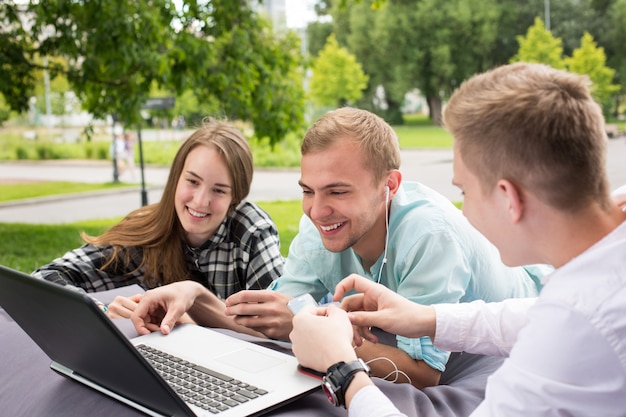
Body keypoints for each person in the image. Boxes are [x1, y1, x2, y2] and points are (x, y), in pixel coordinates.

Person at [289, 63, 626, 416]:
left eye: (464, 191)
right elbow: (533, 314)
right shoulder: (602, 266)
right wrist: (424, 318)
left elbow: (563, 319)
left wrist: (343, 367)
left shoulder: (574, 330)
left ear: (508, 198)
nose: (463, 214)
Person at [131, 107, 545, 389]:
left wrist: (324, 332)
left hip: (521, 332)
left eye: (337, 191)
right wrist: (194, 297)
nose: (317, 209)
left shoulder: (428, 235)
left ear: (390, 186)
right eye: (308, 190)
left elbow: (426, 375)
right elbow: (278, 317)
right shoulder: (320, 228)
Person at [33, 121, 284, 325]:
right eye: (192, 182)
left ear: (235, 198)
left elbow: (276, 328)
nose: (200, 201)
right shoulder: (148, 230)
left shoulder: (252, 231)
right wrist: (100, 309)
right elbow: (44, 278)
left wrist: (193, 312)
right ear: (176, 178)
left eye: (219, 190)